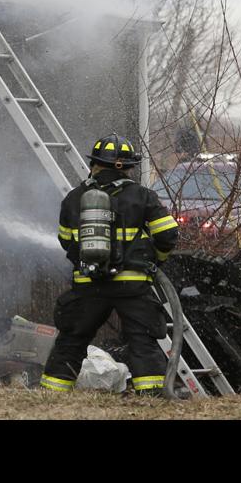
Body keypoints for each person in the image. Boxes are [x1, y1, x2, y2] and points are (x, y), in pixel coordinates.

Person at [39, 134, 180, 396]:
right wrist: (153, 261)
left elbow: (66, 240)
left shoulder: (74, 198)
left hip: (88, 285)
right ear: (127, 167)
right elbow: (168, 235)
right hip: (132, 284)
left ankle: (52, 395)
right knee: (142, 341)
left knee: (71, 341)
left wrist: (88, 262)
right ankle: (152, 397)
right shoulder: (142, 196)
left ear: (94, 164)